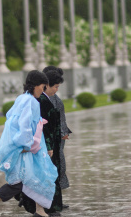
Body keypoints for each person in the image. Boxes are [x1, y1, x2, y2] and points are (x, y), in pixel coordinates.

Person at [0, 71, 58, 217]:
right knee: (22, 181)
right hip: (26, 148)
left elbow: (10, 118)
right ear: (35, 85)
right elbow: (24, 125)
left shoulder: (22, 98)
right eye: (42, 86)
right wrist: (26, 145)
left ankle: (40, 211)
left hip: (27, 146)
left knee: (38, 176)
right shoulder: (30, 101)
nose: (43, 90)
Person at [17, 68, 65, 216]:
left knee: (47, 175)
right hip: (42, 144)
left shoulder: (43, 99)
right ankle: (43, 207)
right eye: (54, 86)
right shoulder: (37, 100)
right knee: (43, 176)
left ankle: (45, 206)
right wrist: (47, 146)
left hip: (49, 143)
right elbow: (40, 127)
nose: (56, 90)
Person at [43, 66, 72, 207]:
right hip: (49, 141)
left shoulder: (55, 98)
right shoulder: (42, 99)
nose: (57, 89)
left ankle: (56, 201)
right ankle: (49, 203)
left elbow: (61, 117)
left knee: (58, 167)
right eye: (56, 86)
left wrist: (63, 131)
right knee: (51, 169)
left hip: (57, 139)